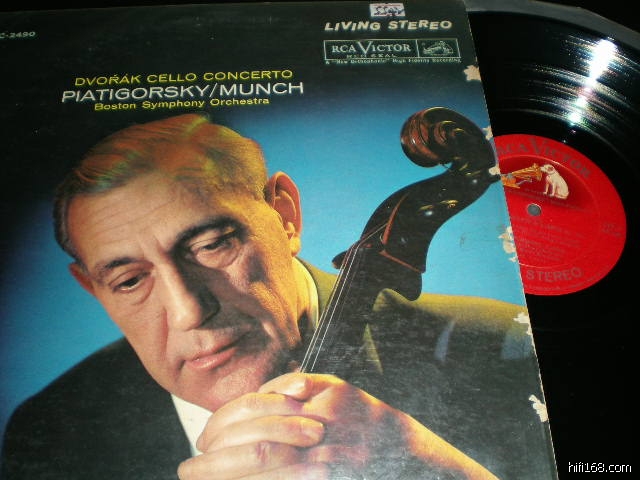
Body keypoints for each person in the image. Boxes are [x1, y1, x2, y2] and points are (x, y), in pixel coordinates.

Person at [1, 113, 554, 480]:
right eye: (129, 280)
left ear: (285, 214)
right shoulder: (52, 430)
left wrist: (430, 469)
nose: (190, 311)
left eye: (212, 245)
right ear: (92, 288)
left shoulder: (514, 353)